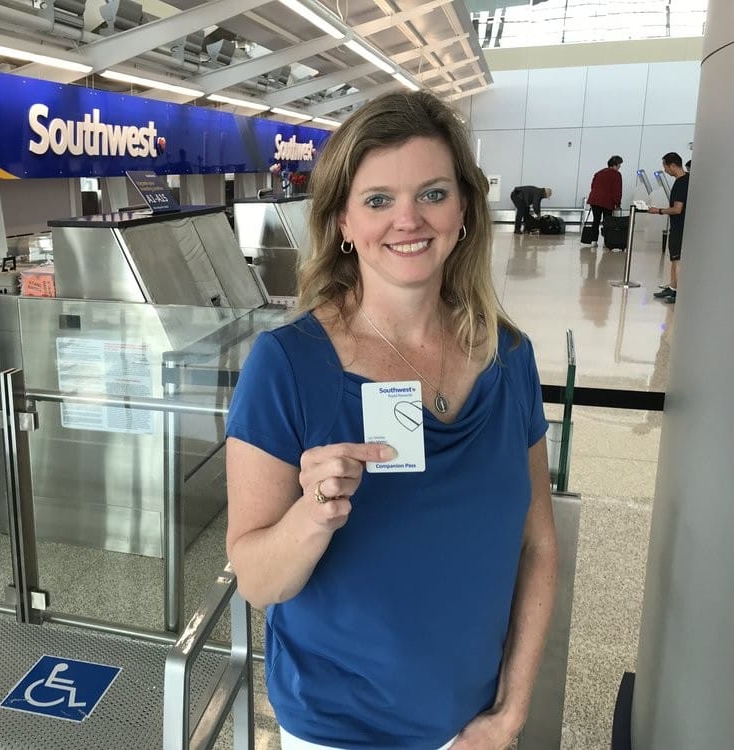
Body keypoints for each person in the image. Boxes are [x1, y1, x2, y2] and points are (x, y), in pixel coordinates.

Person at [225, 90, 558, 750]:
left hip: (472, 730)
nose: (408, 220)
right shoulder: (288, 366)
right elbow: (259, 582)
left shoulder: (507, 356)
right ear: (343, 221)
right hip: (338, 734)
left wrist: (510, 714)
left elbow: (538, 546)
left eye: (432, 194)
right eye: (378, 200)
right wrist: (312, 513)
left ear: (463, 209)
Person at [651, 152, 689, 303]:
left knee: (677, 260)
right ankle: (673, 287)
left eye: (665, 167)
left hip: (679, 226)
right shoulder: (685, 180)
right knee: (674, 260)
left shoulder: (681, 183)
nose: (665, 170)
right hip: (678, 226)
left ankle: (677, 291)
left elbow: (677, 209)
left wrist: (658, 211)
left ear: (672, 165)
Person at [586, 155, 623, 247]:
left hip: (594, 200)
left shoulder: (599, 173)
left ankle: (593, 241)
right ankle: (607, 241)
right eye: (619, 164)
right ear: (616, 164)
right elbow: (617, 190)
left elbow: (593, 186)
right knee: (607, 222)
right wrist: (617, 204)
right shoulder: (617, 174)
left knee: (596, 220)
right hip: (607, 201)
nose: (620, 167)